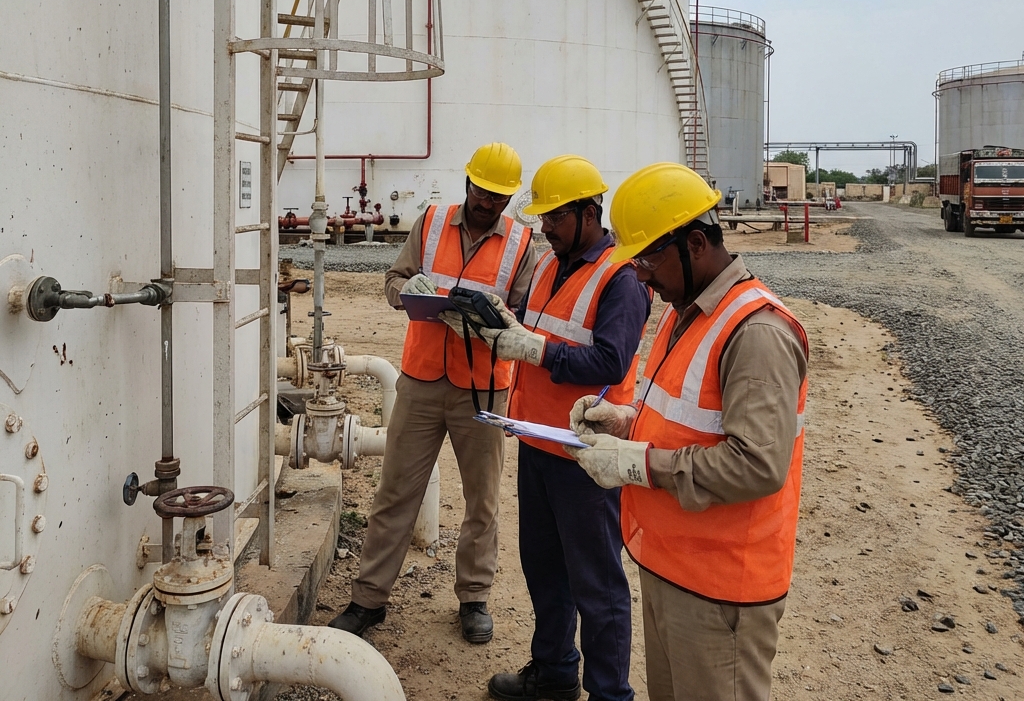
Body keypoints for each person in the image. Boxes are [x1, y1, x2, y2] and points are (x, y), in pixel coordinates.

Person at [568, 162, 808, 701]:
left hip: (721, 588)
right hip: (674, 566)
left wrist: (637, 464)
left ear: (695, 243)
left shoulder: (757, 333)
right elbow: (694, 421)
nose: (642, 277)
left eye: (648, 260)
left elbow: (757, 464)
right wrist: (626, 422)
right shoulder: (690, 312)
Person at [329, 142, 537, 645]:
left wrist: (495, 318)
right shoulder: (431, 222)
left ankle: (474, 596)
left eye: (500, 198)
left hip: (484, 389)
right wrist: (409, 293)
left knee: (482, 499)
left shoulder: (521, 243)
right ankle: (368, 599)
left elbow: (526, 313)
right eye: (484, 193)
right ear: (468, 184)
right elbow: (393, 278)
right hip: (422, 379)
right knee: (396, 491)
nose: (490, 204)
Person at [482, 156, 651, 701]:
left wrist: (535, 347)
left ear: (587, 212)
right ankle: (554, 672)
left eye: (554, 216)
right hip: (538, 443)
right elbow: (542, 334)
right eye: (544, 217)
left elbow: (611, 362)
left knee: (597, 586)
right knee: (545, 571)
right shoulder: (551, 263)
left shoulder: (621, 279)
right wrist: (507, 329)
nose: (544, 227)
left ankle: (608, 694)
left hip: (586, 456)